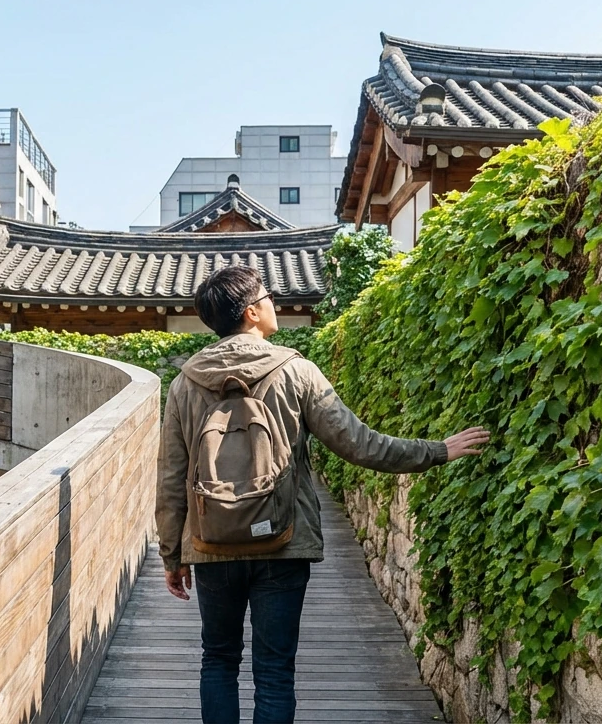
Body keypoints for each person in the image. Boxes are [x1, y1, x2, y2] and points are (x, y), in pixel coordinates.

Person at [157, 266, 491, 724]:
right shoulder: (296, 371)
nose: (274, 302)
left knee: (218, 661)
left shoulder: (184, 384)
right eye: (268, 296)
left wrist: (172, 555)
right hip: (284, 539)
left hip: (212, 544)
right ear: (252, 312)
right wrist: (437, 451)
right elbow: (359, 443)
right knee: (274, 672)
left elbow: (172, 477)